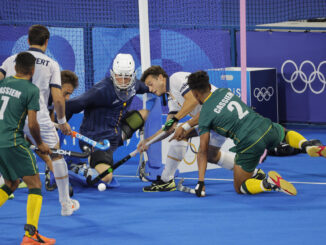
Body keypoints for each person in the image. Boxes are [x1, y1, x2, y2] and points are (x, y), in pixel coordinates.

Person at [186, 70, 325, 197]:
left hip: (249, 143)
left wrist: (201, 182)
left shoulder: (204, 115)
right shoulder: (224, 91)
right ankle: (306, 145)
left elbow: (203, 150)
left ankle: (267, 184)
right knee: (284, 133)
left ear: (194, 94)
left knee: (240, 186)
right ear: (209, 86)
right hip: (264, 126)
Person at [137, 66, 264, 192]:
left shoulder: (176, 79)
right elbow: (169, 128)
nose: (150, 89)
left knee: (183, 134)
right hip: (209, 120)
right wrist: (148, 141)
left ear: (160, 78)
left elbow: (193, 100)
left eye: (151, 84)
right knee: (211, 156)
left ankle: (166, 180)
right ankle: (254, 173)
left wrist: (177, 120)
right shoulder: (171, 99)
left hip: (220, 114)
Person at [0, 25, 79, 216]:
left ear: (27, 41)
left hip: (10, 118)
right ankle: (65, 204)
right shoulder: (51, 64)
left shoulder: (11, 60)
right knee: (56, 155)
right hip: (38, 119)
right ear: (46, 42)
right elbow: (58, 98)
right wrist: (61, 121)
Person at [65, 53, 150, 184]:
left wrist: (162, 90)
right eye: (119, 77)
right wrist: (61, 122)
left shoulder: (134, 86)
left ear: (133, 76)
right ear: (113, 73)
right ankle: (74, 166)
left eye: (126, 78)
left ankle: (145, 162)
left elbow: (148, 87)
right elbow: (71, 105)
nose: (122, 81)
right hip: (96, 139)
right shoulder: (101, 90)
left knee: (145, 113)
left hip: (115, 133)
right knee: (106, 177)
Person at [0, 52, 55, 244]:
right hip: (13, 142)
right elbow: (32, 125)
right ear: (32, 70)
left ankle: (31, 234)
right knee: (35, 185)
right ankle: (31, 235)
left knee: (11, 184)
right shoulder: (31, 90)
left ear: (14, 68)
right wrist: (40, 144)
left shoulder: (2, 84)